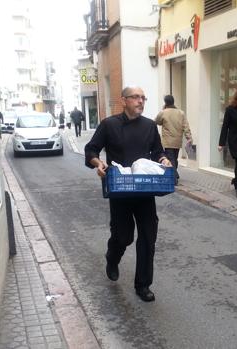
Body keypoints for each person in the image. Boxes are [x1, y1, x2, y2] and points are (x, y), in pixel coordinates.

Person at [84, 86, 171, 302]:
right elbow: (91, 150)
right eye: (136, 97)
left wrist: (163, 159)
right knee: (123, 237)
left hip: (144, 190)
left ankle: (143, 285)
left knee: (148, 237)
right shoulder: (109, 124)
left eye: (143, 97)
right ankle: (112, 258)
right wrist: (98, 163)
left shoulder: (150, 126)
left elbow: (158, 150)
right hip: (120, 190)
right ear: (124, 101)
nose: (141, 101)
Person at [155, 95, 192, 185]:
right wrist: (189, 138)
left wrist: (163, 110)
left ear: (165, 102)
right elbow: (186, 126)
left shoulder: (163, 112)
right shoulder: (181, 113)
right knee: (174, 159)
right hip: (177, 141)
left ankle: (174, 178)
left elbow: (157, 122)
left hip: (168, 141)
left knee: (171, 159)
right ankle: (176, 174)